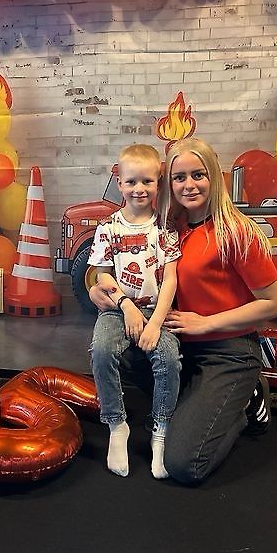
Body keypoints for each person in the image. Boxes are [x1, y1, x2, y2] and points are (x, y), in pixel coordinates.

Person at [90, 137, 277, 485]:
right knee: (116, 348)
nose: (189, 185)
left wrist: (207, 323)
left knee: (184, 464)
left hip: (228, 351)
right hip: (182, 341)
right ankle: (190, 408)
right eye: (179, 177)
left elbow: (275, 303)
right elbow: (117, 269)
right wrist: (97, 289)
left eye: (198, 175)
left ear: (214, 177)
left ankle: (244, 406)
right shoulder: (170, 226)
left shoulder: (236, 232)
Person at [87, 144, 182, 479]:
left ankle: (161, 429)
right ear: (119, 182)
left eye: (147, 181)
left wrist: (155, 323)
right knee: (101, 350)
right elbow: (102, 275)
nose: (139, 189)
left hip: (157, 311)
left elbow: (170, 279)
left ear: (158, 183)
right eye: (131, 182)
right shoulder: (108, 227)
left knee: (168, 358)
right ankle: (117, 425)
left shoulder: (165, 227)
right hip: (118, 310)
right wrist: (125, 305)